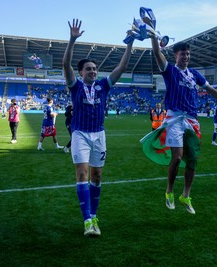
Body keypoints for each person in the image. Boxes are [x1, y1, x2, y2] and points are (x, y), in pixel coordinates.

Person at [149, 36, 217, 214]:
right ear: (176, 55)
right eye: (183, 54)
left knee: (192, 160)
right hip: (175, 118)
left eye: (188, 54)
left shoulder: (195, 74)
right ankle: (169, 191)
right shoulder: (170, 71)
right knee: (177, 158)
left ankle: (186, 195)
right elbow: (156, 52)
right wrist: (153, 35)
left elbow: (212, 91)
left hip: (192, 120)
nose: (186, 57)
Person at [62, 19, 134, 236]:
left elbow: (122, 67)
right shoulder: (75, 87)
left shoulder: (103, 85)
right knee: (82, 173)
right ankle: (86, 221)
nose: (93, 71)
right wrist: (72, 40)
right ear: (81, 72)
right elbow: (65, 65)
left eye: (94, 69)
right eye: (88, 69)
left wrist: (129, 44)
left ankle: (94, 216)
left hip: (99, 135)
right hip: (80, 134)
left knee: (98, 176)